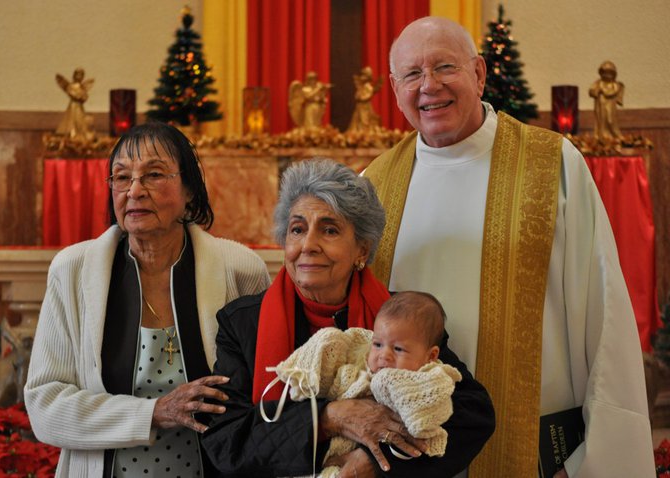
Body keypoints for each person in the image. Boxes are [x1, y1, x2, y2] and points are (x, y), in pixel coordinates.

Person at [363, 16, 654, 477]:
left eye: (444, 67)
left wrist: (593, 457)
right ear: (394, 88)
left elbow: (606, 312)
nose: (429, 87)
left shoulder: (552, 164)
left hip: (536, 452)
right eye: (412, 75)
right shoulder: (374, 184)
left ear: (479, 73)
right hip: (411, 452)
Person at [201, 159, 494, 478]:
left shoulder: (403, 317)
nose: (308, 245)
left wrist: (376, 463)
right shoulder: (243, 322)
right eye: (297, 229)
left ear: (361, 250)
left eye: (329, 230)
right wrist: (327, 418)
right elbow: (225, 440)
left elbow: (472, 415)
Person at [24, 122, 271, 477]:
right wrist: (154, 413)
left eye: (153, 175)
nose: (134, 191)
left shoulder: (240, 270)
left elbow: (267, 395)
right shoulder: (72, 271)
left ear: (189, 189)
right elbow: (45, 406)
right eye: (121, 178)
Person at [266, 291, 462, 478]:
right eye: (378, 344)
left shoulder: (430, 379)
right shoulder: (360, 359)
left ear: (431, 356)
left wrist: (385, 385)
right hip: (327, 454)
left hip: (382, 461)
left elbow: (425, 419)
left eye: (398, 349)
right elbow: (330, 381)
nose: (384, 355)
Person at [55, 67, 94, 141]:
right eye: (78, 74)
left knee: (80, 120)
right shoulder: (71, 86)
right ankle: (72, 134)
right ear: (74, 75)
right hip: (73, 106)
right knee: (72, 119)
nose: (79, 76)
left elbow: (85, 96)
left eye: (81, 75)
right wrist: (78, 96)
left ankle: (80, 134)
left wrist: (82, 96)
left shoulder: (82, 87)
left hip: (79, 107)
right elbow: (70, 92)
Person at [589, 60, 625, 140]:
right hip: (600, 107)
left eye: (610, 73)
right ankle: (601, 137)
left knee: (610, 120)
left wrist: (604, 91)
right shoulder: (598, 83)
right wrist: (597, 91)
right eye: (605, 73)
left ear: (613, 74)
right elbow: (592, 91)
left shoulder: (615, 85)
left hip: (611, 107)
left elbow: (615, 92)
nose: (607, 75)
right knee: (601, 121)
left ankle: (614, 136)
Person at [347, 66, 383, 132]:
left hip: (365, 107)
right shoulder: (362, 87)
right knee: (357, 119)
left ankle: (365, 131)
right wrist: (358, 96)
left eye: (364, 75)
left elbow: (367, 96)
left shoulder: (368, 87)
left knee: (365, 119)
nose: (362, 77)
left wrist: (361, 97)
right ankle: (359, 131)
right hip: (360, 107)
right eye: (362, 75)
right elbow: (357, 95)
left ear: (368, 77)